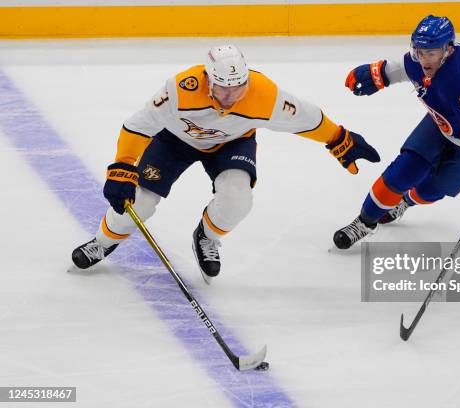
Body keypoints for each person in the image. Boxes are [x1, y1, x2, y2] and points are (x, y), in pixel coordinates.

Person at [72, 44, 380, 282]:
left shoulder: (263, 94)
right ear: (207, 80)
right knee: (138, 203)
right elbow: (139, 125)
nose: (232, 95)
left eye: (239, 87)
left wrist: (339, 138)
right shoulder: (180, 89)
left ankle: (207, 236)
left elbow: (307, 118)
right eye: (223, 87)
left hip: (231, 143)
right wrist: (123, 167)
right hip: (173, 141)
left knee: (238, 199)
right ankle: (102, 242)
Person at [333, 15, 460, 250]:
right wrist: (379, 74)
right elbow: (403, 67)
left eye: (430, 54)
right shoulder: (422, 58)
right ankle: (364, 222)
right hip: (446, 121)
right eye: (420, 51)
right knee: (403, 171)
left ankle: (406, 202)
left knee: (433, 188)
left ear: (448, 50)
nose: (424, 60)